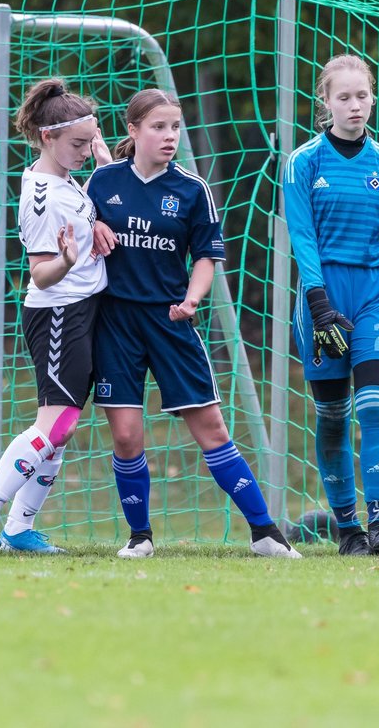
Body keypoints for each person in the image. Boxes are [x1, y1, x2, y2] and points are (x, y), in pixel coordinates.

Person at [87, 88, 301, 560]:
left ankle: (265, 532)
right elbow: (78, 230)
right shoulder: (102, 184)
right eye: (159, 127)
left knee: (212, 429)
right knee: (125, 435)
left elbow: (206, 256)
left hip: (170, 320)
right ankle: (139, 537)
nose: (169, 136)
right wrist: (92, 227)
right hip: (115, 323)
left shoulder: (190, 189)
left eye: (175, 127)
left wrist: (192, 298)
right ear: (134, 130)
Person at [282, 54, 379, 557]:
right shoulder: (303, 162)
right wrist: (317, 300)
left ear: (373, 99)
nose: (355, 105)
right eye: (344, 97)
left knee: (375, 407)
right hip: (323, 298)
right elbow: (302, 238)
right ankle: (347, 531)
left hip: (375, 297)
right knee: (332, 414)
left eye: (363, 96)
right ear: (324, 102)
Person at [0, 78, 112, 554]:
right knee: (55, 424)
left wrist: (99, 195)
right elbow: (42, 275)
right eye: (78, 143)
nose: (88, 150)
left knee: (62, 429)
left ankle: (21, 530)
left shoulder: (66, 180)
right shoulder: (42, 196)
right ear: (48, 138)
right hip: (58, 312)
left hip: (83, 309)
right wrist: (67, 261)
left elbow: (92, 180)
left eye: (91, 140)